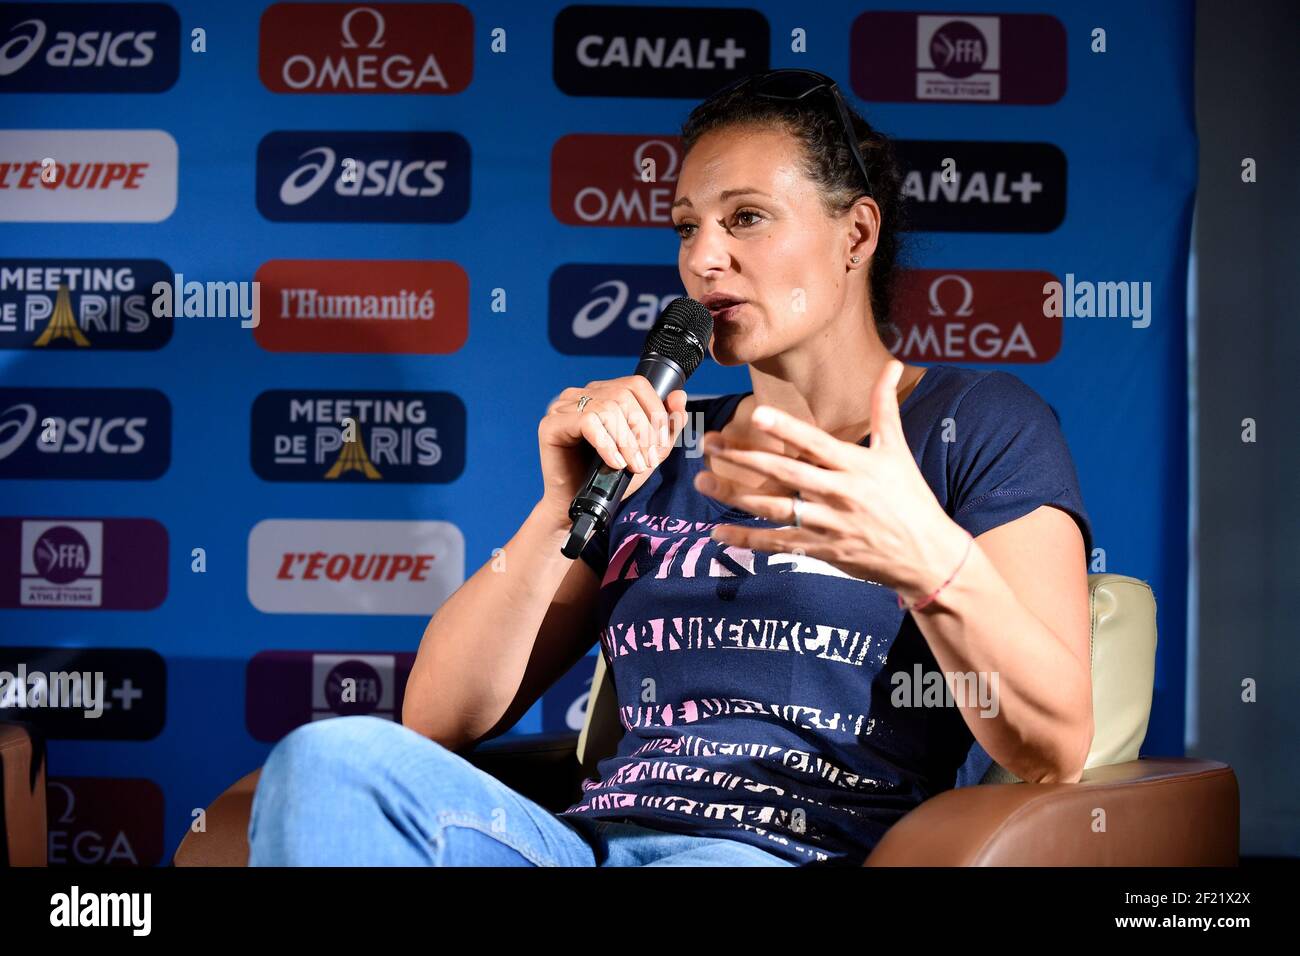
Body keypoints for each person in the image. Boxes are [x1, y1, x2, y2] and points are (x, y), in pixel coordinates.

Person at [248, 69, 1094, 867]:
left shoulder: (974, 423)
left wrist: (924, 559)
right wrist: (559, 510)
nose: (703, 259)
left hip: (782, 851)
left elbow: (1053, 742)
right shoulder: (662, 444)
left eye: (747, 218)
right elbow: (436, 719)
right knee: (332, 761)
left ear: (856, 234)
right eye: (689, 226)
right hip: (596, 842)